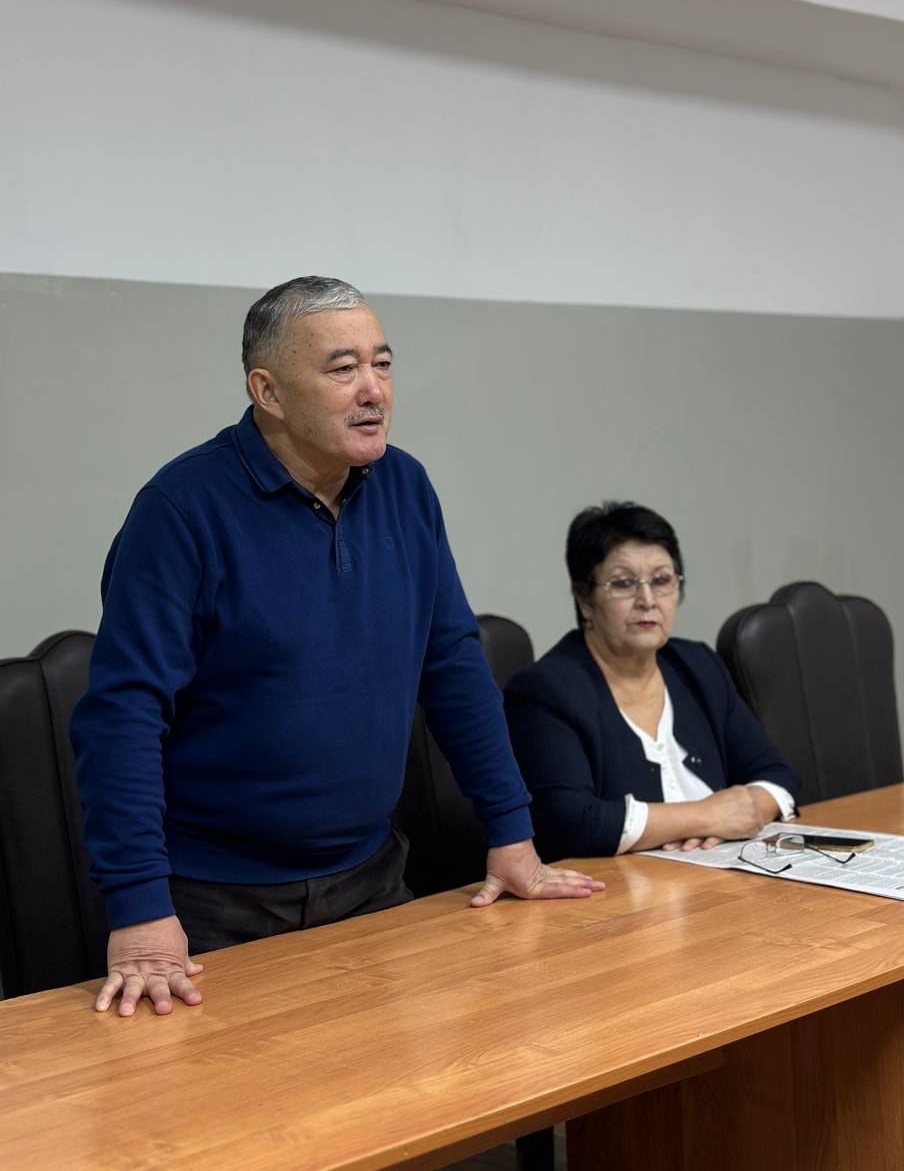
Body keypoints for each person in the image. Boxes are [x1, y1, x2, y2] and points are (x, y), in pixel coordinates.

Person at [71, 276, 603, 1017]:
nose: (373, 391)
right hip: (212, 903)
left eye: (382, 364)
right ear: (268, 391)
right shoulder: (181, 510)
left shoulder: (405, 486)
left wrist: (512, 833)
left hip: (370, 878)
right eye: (342, 368)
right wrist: (138, 908)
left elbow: (452, 664)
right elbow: (123, 716)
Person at [504, 502, 797, 861]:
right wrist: (706, 817)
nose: (647, 600)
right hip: (615, 890)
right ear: (584, 599)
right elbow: (572, 821)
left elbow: (776, 773)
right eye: (624, 583)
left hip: (721, 878)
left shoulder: (697, 666)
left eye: (661, 581)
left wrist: (745, 812)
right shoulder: (545, 690)